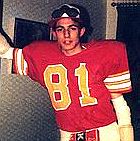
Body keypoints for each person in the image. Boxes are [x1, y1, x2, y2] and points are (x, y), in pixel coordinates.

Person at [0, 3, 134, 141]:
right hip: (67, 133)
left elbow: (118, 101)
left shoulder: (103, 54)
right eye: (60, 29)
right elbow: (6, 52)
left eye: (72, 28)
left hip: (106, 132)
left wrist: (126, 133)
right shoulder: (42, 55)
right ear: (54, 33)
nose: (66, 34)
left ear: (81, 31)